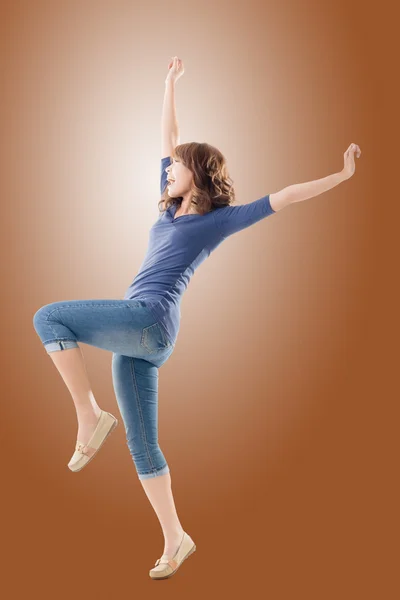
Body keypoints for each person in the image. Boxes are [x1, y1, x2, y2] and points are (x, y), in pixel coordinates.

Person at [32, 55, 361, 580]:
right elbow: (171, 136)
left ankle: (89, 416)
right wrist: (169, 83)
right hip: (140, 338)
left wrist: (342, 175)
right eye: (173, 165)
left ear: (198, 174)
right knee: (142, 444)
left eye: (181, 165)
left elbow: (286, 197)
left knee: (49, 317)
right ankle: (175, 539)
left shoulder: (218, 221)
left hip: (148, 320)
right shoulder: (168, 210)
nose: (171, 168)